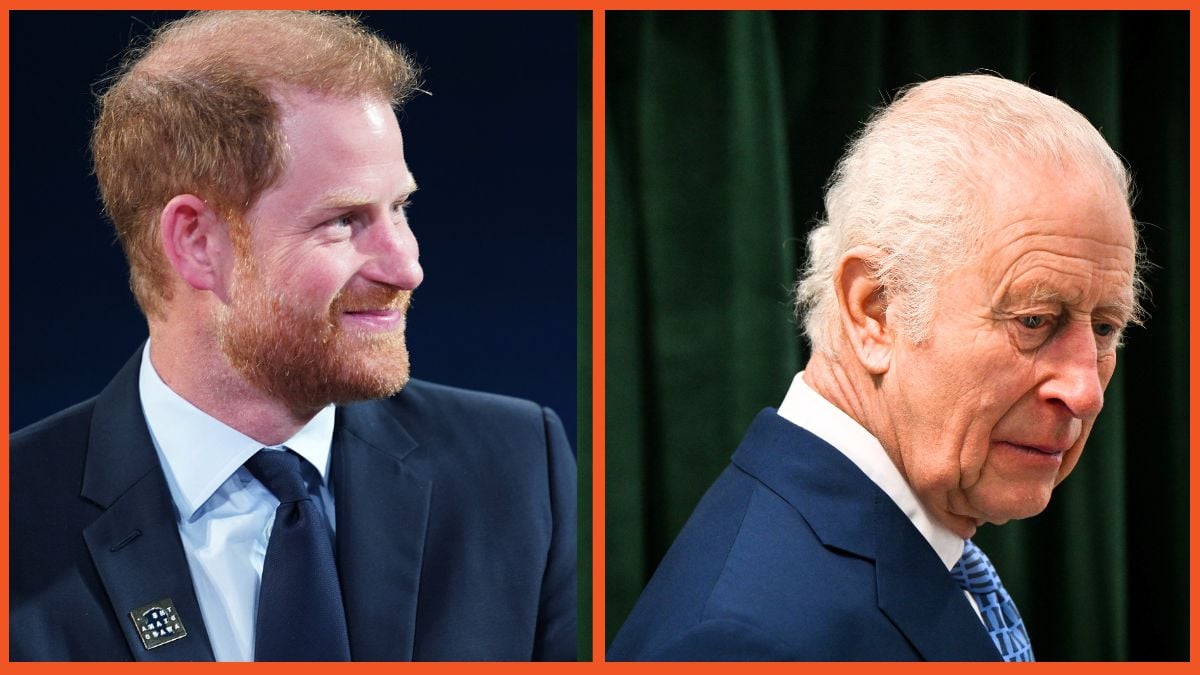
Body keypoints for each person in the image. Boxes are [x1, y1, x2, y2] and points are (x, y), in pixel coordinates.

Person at [10, 11, 576, 662]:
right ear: (196, 243)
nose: (407, 266)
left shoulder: (519, 469)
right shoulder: (16, 518)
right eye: (343, 220)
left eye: (401, 208)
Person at [608, 74, 1141, 661]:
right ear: (875, 310)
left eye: (1105, 328)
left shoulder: (913, 549)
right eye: (1035, 321)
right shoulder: (744, 642)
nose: (1085, 390)